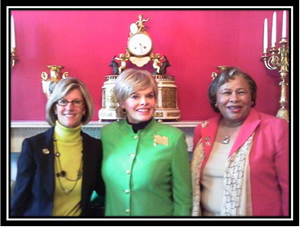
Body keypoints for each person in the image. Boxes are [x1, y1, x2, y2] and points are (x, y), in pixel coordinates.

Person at [191, 67, 289, 216]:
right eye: (226, 92)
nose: (234, 98)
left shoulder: (276, 128)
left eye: (241, 92)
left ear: (252, 97)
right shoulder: (203, 130)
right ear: (215, 99)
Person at [99, 68, 192, 216]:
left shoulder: (174, 138)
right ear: (122, 102)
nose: (144, 102)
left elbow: (183, 197)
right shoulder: (107, 134)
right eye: (135, 96)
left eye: (149, 96)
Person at [11, 77, 105, 217]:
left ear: (85, 109)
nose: (69, 107)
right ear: (55, 108)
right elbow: (20, 196)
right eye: (62, 101)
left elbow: (104, 189)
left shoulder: (95, 147)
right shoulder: (33, 146)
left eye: (77, 102)